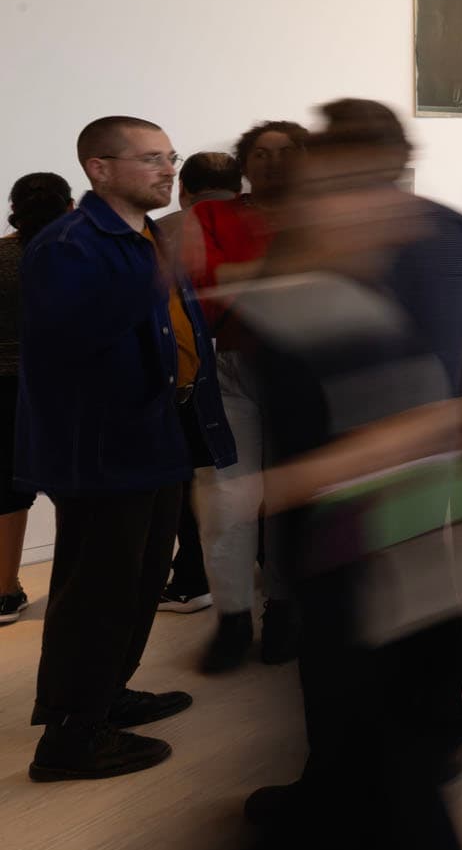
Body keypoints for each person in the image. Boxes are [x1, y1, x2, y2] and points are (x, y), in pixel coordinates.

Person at [232, 104, 462, 850]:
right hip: (396, 499)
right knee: (405, 659)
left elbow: (402, 418)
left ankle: (360, 781)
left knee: (361, 679)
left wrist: (267, 489)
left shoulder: (327, 271)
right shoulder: (437, 230)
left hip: (352, 514)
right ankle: (427, 748)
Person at [17, 116, 235, 781]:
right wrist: (163, 268)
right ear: (99, 168)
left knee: (137, 584)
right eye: (149, 159)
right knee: (100, 591)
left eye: (168, 156)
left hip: (153, 438)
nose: (167, 168)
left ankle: (103, 696)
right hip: (104, 448)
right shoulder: (70, 243)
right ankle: (71, 737)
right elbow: (73, 334)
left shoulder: (146, 237)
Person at [189, 118, 309, 672]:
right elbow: (208, 290)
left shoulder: (320, 216)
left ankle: (282, 609)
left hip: (300, 370)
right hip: (232, 367)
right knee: (227, 495)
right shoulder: (213, 215)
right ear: (243, 161)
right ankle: (233, 618)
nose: (273, 161)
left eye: (286, 152)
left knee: (288, 495)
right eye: (261, 152)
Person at [155, 151, 241, 620]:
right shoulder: (266, 226)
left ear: (184, 188)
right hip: (262, 365)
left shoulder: (161, 232)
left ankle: (193, 579)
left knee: (193, 477)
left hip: (192, 374)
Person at [1, 172, 72, 628]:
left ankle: (5, 592)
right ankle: (73, 586)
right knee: (74, 485)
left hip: (3, 382)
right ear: (68, 207)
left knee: (6, 491)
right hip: (66, 382)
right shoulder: (73, 254)